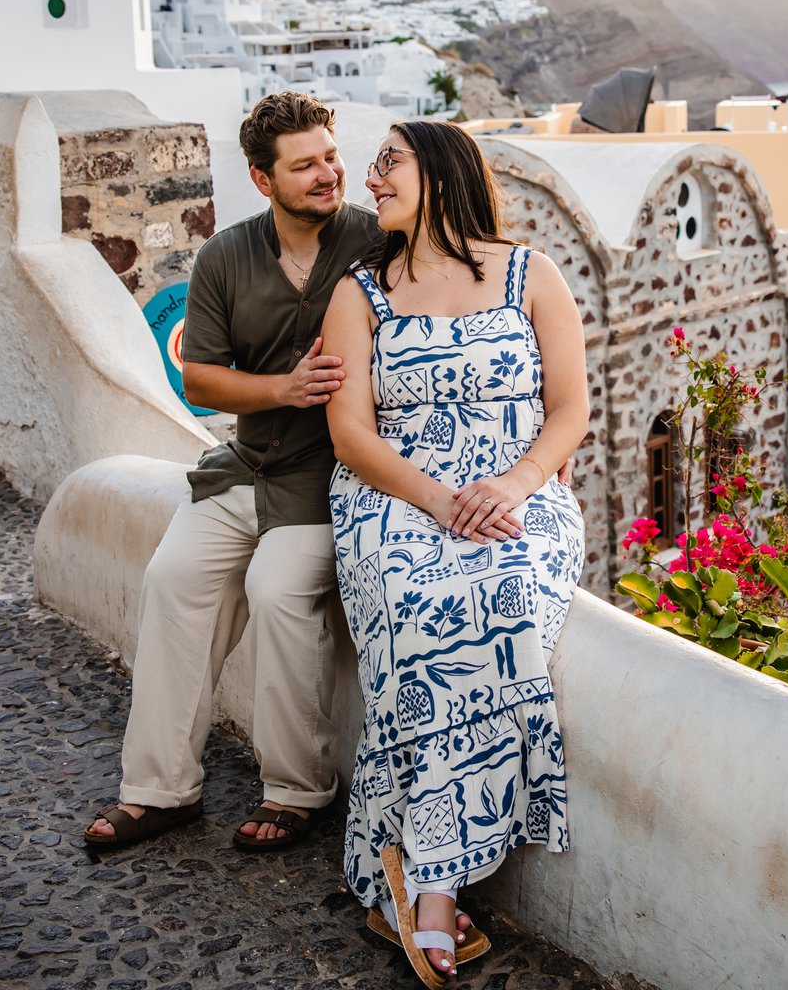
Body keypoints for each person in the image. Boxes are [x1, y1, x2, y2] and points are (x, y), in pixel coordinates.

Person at [321, 120, 589, 985]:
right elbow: (351, 434)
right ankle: (437, 888)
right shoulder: (359, 293)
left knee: (508, 603)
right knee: (423, 604)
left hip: (517, 493)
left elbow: (570, 410)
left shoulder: (532, 275)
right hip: (393, 495)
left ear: (440, 170)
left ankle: (410, 866)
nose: (372, 178)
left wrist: (512, 485)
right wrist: (438, 501)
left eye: (389, 163)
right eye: (373, 166)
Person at [82, 92, 380, 853]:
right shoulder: (224, 256)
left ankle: (297, 790)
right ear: (262, 179)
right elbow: (201, 380)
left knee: (278, 591)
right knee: (171, 579)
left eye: (331, 157)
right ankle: (160, 790)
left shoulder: (376, 243)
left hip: (329, 479)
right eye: (304, 166)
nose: (328, 174)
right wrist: (284, 390)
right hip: (244, 468)